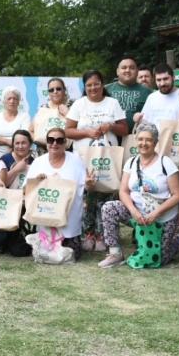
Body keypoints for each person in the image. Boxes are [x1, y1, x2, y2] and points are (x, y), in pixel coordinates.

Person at [97, 123, 179, 268]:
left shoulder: (166, 163)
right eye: (140, 139)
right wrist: (133, 210)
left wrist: (156, 213)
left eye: (148, 140)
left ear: (155, 142)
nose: (143, 143)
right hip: (137, 213)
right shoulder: (131, 162)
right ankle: (115, 253)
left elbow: (177, 195)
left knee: (159, 259)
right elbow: (124, 191)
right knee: (109, 208)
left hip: (162, 217)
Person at [65, 69, 127, 252]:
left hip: (107, 158)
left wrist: (111, 126)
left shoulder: (112, 103)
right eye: (89, 85)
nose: (93, 88)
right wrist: (87, 132)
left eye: (96, 83)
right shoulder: (79, 104)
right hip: (84, 158)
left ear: (103, 84)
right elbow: (68, 131)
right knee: (86, 196)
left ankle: (103, 235)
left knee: (105, 196)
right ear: (85, 87)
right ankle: (87, 233)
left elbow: (125, 129)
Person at [26, 127, 91, 260]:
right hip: (45, 220)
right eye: (51, 140)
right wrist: (37, 182)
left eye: (59, 140)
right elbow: (26, 190)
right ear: (46, 142)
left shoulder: (76, 161)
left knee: (72, 256)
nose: (55, 143)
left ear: (65, 143)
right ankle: (42, 239)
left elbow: (86, 187)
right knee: (48, 255)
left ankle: (53, 243)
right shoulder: (38, 162)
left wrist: (89, 184)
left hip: (69, 224)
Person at [105, 57, 151, 133]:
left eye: (132, 68)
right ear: (117, 71)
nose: (127, 70)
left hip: (137, 137)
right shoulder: (106, 89)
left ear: (137, 71)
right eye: (124, 68)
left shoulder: (147, 92)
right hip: (111, 136)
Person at [0, 86, 31, 159]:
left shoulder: (24, 116)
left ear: (18, 102)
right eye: (9, 98)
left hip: (18, 158)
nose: (12, 101)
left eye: (15, 99)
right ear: (4, 101)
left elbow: (24, 138)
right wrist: (7, 141)